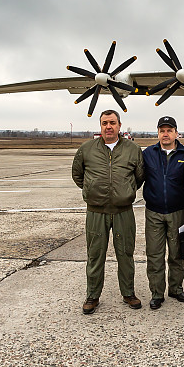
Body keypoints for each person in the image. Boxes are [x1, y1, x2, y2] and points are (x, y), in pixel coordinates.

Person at [71, 109, 144, 315]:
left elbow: (139, 177)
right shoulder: (87, 149)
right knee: (95, 255)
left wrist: (125, 191)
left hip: (123, 211)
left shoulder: (132, 149)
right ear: (100, 126)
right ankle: (92, 296)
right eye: (104, 123)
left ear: (120, 126)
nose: (108, 127)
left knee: (125, 254)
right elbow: (78, 175)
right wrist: (91, 189)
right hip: (96, 212)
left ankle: (128, 293)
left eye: (112, 122)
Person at [142, 115, 184, 310]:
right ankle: (156, 293)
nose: (165, 134)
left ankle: (176, 288)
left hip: (177, 211)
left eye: (169, 130)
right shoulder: (148, 154)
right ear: (158, 133)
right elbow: (138, 176)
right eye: (162, 130)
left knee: (177, 254)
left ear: (176, 133)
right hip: (153, 211)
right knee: (154, 254)